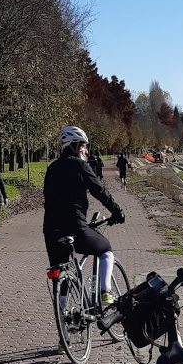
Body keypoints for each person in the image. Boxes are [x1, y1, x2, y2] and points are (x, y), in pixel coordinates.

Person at [43, 126, 126, 306]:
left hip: (51, 231)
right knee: (106, 250)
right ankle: (106, 292)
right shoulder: (80, 165)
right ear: (74, 146)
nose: (86, 151)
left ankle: (63, 322)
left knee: (61, 273)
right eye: (83, 147)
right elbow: (99, 190)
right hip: (75, 227)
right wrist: (117, 211)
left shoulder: (51, 169)